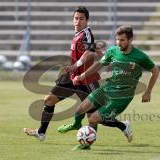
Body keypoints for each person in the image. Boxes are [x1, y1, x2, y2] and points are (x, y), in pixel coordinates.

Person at [23, 6, 132, 142]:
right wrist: (100, 53)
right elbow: (92, 48)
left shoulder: (87, 33)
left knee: (94, 116)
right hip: (72, 77)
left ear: (87, 20)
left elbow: (88, 53)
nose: (78, 21)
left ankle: (123, 126)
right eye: (76, 18)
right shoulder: (78, 35)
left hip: (87, 79)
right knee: (49, 100)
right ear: (72, 20)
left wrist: (76, 65)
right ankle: (41, 133)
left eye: (81, 19)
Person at [71, 25, 159, 150]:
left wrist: (148, 92)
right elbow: (99, 65)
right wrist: (82, 76)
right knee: (80, 109)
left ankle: (86, 146)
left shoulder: (140, 56)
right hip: (108, 88)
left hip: (122, 96)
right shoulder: (113, 51)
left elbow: (155, 71)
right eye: (117, 39)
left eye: (122, 40)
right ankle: (122, 125)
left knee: (93, 119)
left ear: (130, 40)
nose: (119, 43)